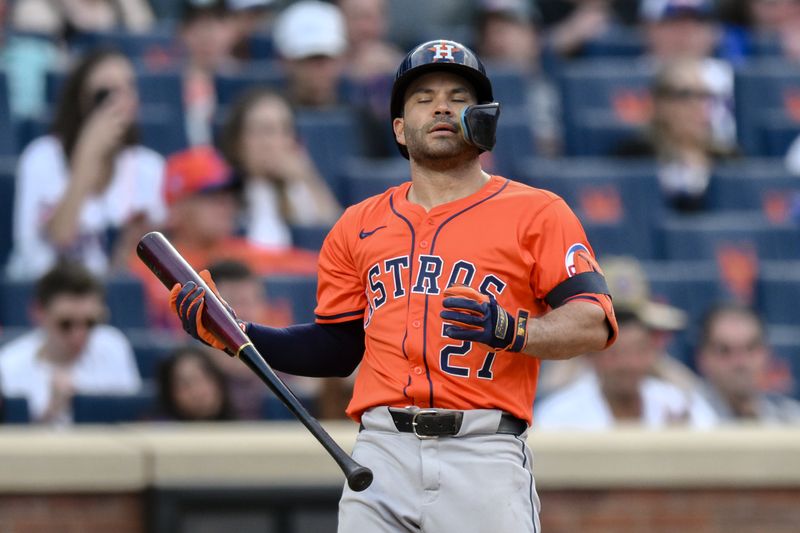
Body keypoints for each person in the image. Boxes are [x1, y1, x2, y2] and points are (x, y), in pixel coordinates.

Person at [168, 39, 618, 531]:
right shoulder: (357, 224)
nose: (442, 106)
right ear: (401, 129)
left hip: (483, 453)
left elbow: (593, 321)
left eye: (458, 96)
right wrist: (241, 333)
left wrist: (515, 331)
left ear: (484, 118)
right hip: (380, 454)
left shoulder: (538, 212)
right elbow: (338, 347)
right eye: (423, 98)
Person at [5, 48, 166, 280]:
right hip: (48, 289)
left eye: (128, 88)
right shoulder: (41, 157)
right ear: (80, 99)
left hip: (116, 297)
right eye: (105, 93)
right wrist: (88, 153)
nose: (118, 102)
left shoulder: (149, 166)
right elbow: (60, 237)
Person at [130, 145, 317, 329]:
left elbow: (321, 267)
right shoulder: (153, 267)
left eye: (229, 195)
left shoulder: (244, 252)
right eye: (211, 196)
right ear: (177, 207)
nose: (226, 204)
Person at [0, 262, 142, 426]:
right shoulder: (8, 364)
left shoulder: (114, 346)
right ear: (38, 313)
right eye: (65, 324)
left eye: (90, 323)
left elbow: (133, 421)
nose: (78, 335)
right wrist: (50, 413)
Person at [534, 308, 718, 430]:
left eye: (639, 350)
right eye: (615, 353)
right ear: (592, 354)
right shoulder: (559, 413)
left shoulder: (679, 403)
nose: (628, 364)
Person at [219, 88, 342, 249]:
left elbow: (340, 243)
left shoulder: (300, 189)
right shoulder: (220, 193)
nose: (275, 142)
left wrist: (308, 178)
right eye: (265, 131)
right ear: (238, 141)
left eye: (285, 131)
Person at [612, 58, 737, 211]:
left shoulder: (729, 159)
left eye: (704, 96)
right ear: (658, 103)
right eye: (685, 95)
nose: (698, 106)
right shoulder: (634, 157)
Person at [475, 0, 562, 157]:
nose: (499, 38)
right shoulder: (468, 87)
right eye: (491, 30)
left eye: (510, 28)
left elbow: (552, 147)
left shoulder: (551, 88)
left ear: (535, 37)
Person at [695, 303, 800, 423]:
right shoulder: (686, 421)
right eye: (725, 351)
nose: (740, 362)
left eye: (751, 348)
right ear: (702, 358)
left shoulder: (790, 420)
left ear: (767, 353)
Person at [272, 0, 347, 109]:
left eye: (326, 59)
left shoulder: (362, 117)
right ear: (283, 61)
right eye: (307, 59)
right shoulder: (270, 113)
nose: (319, 70)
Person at [156, 345, 235, 422]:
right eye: (185, 384)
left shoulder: (243, 427)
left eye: (204, 379)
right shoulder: (155, 431)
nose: (198, 392)